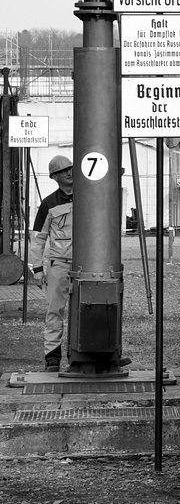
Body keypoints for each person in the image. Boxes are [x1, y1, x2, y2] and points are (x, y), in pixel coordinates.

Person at [32, 155, 74, 372]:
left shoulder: (89, 196)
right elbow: (38, 238)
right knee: (54, 312)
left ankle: (78, 355)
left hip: (87, 266)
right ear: (55, 177)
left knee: (85, 310)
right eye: (64, 170)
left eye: (71, 168)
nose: (69, 172)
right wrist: (37, 269)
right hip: (60, 265)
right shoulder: (48, 203)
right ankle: (52, 358)